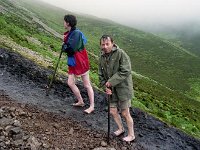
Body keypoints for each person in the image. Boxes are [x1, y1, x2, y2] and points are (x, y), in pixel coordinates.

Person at [98, 35, 135, 142]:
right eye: (102, 44)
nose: (105, 46)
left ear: (113, 43)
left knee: (125, 113)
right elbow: (100, 74)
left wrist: (110, 82)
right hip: (111, 89)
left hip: (123, 88)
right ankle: (121, 128)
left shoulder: (121, 54)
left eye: (107, 44)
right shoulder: (101, 57)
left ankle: (131, 135)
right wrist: (105, 85)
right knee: (113, 111)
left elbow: (126, 70)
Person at [62, 14, 94, 114]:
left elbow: (71, 50)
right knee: (70, 83)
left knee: (87, 85)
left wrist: (64, 46)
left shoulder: (75, 33)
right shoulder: (71, 33)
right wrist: (65, 43)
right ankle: (80, 101)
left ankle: (92, 106)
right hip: (75, 62)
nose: (63, 23)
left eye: (64, 21)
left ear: (68, 23)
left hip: (80, 62)